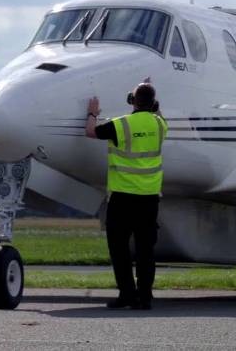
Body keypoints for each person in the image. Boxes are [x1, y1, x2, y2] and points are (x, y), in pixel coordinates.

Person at [85, 80, 167, 310]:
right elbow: (159, 115)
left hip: (122, 198)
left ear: (133, 101)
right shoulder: (160, 125)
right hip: (149, 198)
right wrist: (151, 100)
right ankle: (145, 298)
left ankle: (127, 295)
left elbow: (90, 131)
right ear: (152, 103)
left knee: (119, 250)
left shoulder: (121, 125)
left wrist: (92, 112)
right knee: (145, 251)